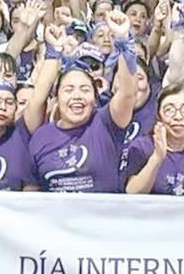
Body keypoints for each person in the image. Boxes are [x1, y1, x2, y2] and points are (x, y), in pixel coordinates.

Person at [22, 13, 142, 193]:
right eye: (69, 89)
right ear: (57, 97)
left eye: (85, 90)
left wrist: (123, 39)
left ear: (95, 97)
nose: (77, 96)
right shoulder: (41, 137)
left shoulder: (106, 124)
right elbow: (31, 189)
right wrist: (54, 51)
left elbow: (127, 94)